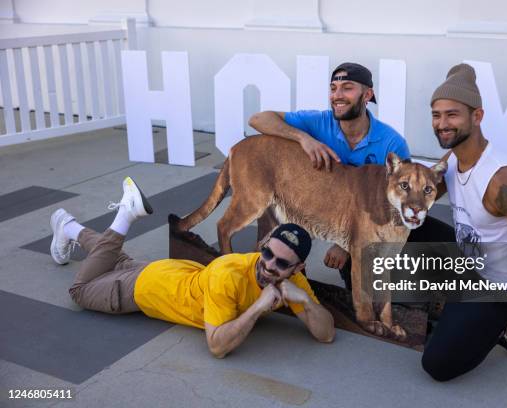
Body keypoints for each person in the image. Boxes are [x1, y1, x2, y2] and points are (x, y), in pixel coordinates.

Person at [50, 177, 335, 358]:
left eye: (282, 263)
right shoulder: (230, 274)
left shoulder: (294, 282)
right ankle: (125, 214)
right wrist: (258, 307)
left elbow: (327, 334)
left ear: (297, 268)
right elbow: (217, 346)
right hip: (144, 290)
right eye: (267, 253)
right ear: (263, 243)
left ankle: (69, 228)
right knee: (80, 290)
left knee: (115, 259)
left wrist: (306, 302)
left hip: (168, 273)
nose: (270, 265)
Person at [421, 63, 507, 381]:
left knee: (437, 365)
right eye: (436, 115)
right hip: (470, 264)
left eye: (452, 114)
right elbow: (421, 196)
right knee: (407, 225)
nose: (442, 124)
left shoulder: (503, 179)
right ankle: (458, 303)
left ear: (477, 116)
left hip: (501, 287)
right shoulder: (453, 159)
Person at [249, 62, 416, 286]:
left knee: (366, 273)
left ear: (367, 94)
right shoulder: (319, 122)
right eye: (333, 88)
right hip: (315, 207)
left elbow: (398, 203)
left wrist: (344, 244)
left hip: (361, 221)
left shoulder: (391, 143)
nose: (337, 95)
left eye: (347, 88)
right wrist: (304, 139)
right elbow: (258, 119)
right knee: (277, 226)